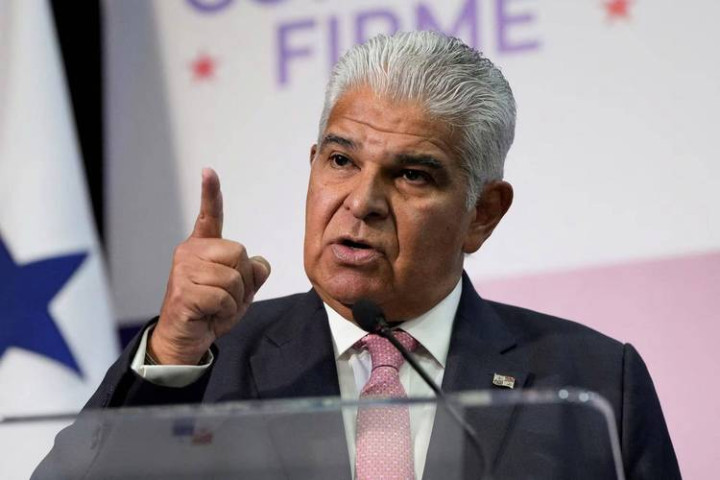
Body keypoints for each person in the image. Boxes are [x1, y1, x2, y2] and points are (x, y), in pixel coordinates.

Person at [36, 31, 680, 479]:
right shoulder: (202, 365)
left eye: (412, 175)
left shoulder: (593, 384)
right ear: (313, 166)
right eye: (342, 161)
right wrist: (174, 350)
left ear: (482, 212)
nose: (362, 201)